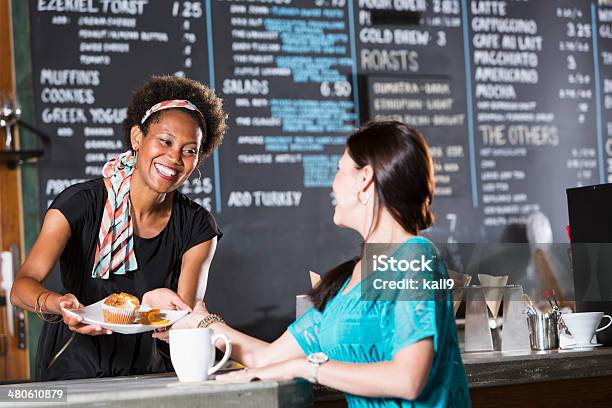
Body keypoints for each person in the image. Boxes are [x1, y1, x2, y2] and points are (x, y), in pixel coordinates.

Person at [155, 121, 471, 407]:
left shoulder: (417, 257)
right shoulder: (348, 281)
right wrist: (198, 322)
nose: (332, 185)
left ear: (364, 179)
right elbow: (264, 357)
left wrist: (306, 367)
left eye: (339, 169)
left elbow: (408, 380)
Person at [10, 75, 226, 380]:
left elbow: (183, 321)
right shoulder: (80, 203)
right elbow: (21, 288)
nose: (174, 158)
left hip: (150, 375)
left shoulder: (198, 227)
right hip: (71, 369)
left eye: (189, 150)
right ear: (138, 138)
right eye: (165, 141)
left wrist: (170, 313)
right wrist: (60, 305)